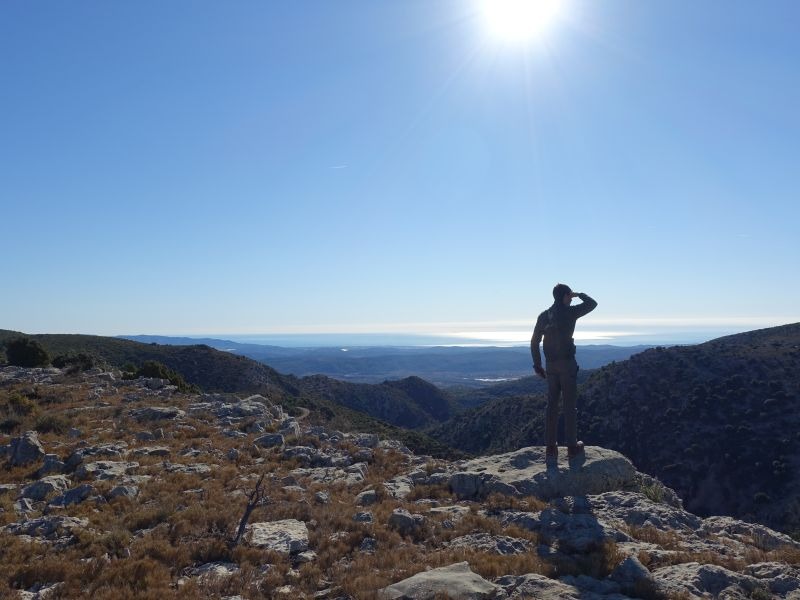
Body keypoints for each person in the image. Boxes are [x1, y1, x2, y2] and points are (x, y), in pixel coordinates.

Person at [531, 283, 597, 460]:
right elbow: (592, 304)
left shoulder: (544, 315)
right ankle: (572, 447)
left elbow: (534, 341)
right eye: (569, 296)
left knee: (551, 406)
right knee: (569, 406)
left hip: (550, 366)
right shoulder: (570, 312)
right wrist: (579, 294)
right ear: (566, 296)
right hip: (567, 365)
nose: (570, 298)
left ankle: (551, 448)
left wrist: (538, 365)